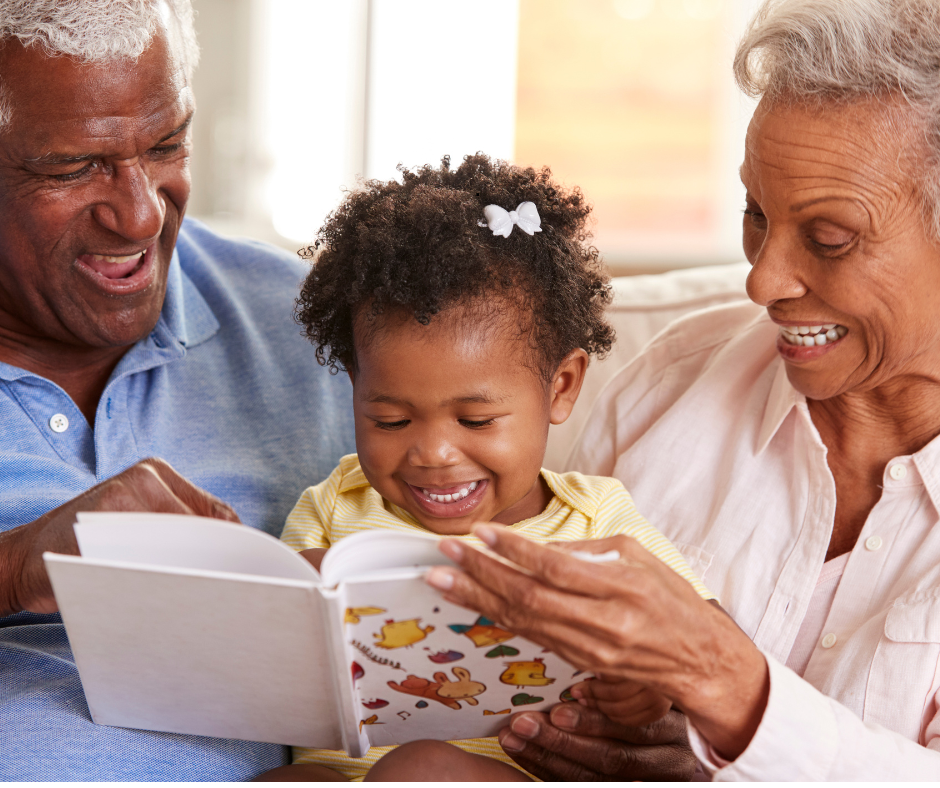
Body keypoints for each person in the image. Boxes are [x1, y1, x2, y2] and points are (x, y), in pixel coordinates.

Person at [420, 0, 940, 780]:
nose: (763, 278)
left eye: (829, 239)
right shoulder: (674, 384)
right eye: (754, 213)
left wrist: (728, 693)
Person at [256, 154, 714, 781]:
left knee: (422, 769)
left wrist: (644, 689)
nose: (434, 455)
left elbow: (704, 643)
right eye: (390, 420)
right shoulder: (336, 505)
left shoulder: (597, 520)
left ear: (561, 387)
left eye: (475, 421)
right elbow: (264, 663)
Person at [0, 0, 354, 780]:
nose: (140, 213)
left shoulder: (312, 326)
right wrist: (20, 564)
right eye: (73, 166)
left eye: (166, 145)